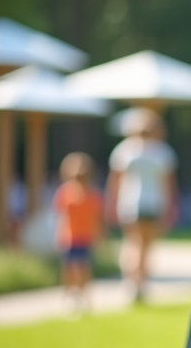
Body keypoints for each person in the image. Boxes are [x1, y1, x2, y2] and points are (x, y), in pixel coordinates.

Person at [106, 108, 177, 302]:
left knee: (133, 243)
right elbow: (169, 184)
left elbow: (115, 181)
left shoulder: (125, 150)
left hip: (130, 202)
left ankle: (133, 281)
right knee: (146, 245)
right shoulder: (162, 151)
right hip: (154, 202)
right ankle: (141, 282)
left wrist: (111, 203)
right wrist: (171, 206)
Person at [52, 152, 104, 313]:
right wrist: (58, 235)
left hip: (85, 238)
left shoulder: (93, 195)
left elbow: (96, 219)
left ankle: (84, 298)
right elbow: (61, 217)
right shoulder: (64, 193)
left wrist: (98, 238)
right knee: (68, 270)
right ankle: (68, 296)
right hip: (69, 238)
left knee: (83, 269)